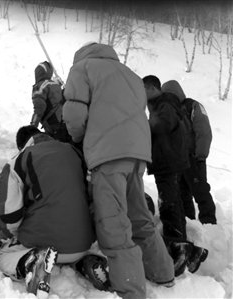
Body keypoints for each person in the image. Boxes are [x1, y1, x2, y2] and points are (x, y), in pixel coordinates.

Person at [62, 42, 174, 299]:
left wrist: (78, 138)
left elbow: (74, 113)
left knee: (113, 223)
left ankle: (131, 290)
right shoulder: (131, 75)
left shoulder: (82, 68)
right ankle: (163, 271)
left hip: (108, 154)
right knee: (139, 216)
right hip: (136, 154)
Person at [0, 125, 109, 298]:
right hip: (83, 242)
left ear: (22, 145)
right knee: (65, 251)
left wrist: (18, 236)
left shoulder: (18, 160)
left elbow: (10, 217)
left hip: (45, 240)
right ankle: (85, 262)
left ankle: (31, 262)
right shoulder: (74, 152)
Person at [142, 75, 208, 275]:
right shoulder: (164, 103)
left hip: (167, 162)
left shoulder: (165, 102)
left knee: (168, 203)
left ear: (151, 88)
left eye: (143, 90)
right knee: (176, 202)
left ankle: (176, 246)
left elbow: (164, 123)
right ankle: (188, 247)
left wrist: (142, 125)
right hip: (170, 161)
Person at [162, 80, 216, 224]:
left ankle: (209, 222)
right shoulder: (169, 111)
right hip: (178, 162)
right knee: (182, 194)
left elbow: (204, 131)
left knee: (201, 191)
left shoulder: (193, 106)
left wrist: (200, 156)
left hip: (194, 158)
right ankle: (189, 221)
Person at [30, 61, 71, 143]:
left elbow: (39, 108)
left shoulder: (39, 86)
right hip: (65, 122)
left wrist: (32, 127)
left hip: (53, 126)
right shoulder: (55, 85)